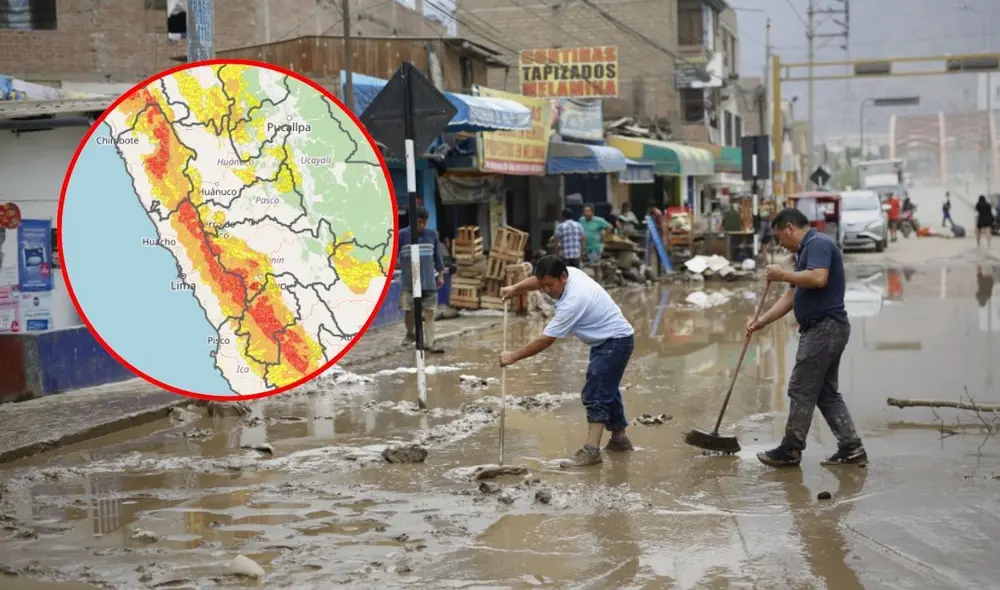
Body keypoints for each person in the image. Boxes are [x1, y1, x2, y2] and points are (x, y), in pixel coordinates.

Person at [746, 207, 867, 468]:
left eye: (780, 236)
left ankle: (790, 449)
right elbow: (791, 296)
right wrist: (761, 321)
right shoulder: (804, 253)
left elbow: (818, 278)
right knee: (825, 393)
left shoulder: (818, 244)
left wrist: (781, 274)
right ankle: (851, 447)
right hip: (826, 329)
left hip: (825, 329)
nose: (780, 243)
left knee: (800, 388)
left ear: (790, 227)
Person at [498, 255, 636, 467]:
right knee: (608, 389)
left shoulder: (573, 300)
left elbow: (545, 340)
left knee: (596, 393)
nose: (546, 291)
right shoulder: (569, 273)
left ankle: (592, 451)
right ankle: (619, 439)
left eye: (550, 285)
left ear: (563, 277)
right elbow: (537, 279)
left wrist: (513, 356)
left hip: (615, 342)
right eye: (543, 286)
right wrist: (514, 289)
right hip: (608, 340)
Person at [397, 207, 445, 354]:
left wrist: (441, 275)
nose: (422, 226)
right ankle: (410, 334)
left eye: (424, 222)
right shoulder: (402, 235)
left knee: (429, 313)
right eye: (419, 222)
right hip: (409, 282)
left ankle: (430, 343)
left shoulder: (432, 235)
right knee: (409, 311)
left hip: (428, 282)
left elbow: (438, 256)